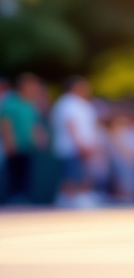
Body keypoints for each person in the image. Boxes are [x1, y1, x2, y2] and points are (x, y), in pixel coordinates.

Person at [49, 77, 102, 208]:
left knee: (83, 173)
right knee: (70, 174)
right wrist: (80, 144)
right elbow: (70, 124)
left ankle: (81, 197)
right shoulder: (67, 102)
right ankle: (67, 199)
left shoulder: (82, 103)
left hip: (84, 145)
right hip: (71, 146)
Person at [0, 73, 47, 204]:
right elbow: (5, 123)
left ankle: (23, 198)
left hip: (28, 145)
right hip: (15, 145)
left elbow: (35, 123)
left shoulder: (30, 103)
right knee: (14, 173)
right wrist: (9, 142)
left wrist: (40, 137)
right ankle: (14, 199)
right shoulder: (11, 102)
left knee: (27, 173)